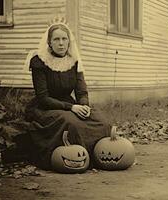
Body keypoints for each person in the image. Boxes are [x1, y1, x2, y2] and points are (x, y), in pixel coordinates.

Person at [25, 19, 110, 170]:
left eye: (64, 39)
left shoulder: (74, 61)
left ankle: (99, 156)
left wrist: (84, 105)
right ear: (49, 43)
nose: (61, 43)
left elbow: (81, 90)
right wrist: (71, 107)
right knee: (71, 123)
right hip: (46, 108)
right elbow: (43, 98)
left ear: (69, 42)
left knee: (101, 121)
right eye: (56, 39)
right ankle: (81, 159)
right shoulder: (39, 61)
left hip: (70, 105)